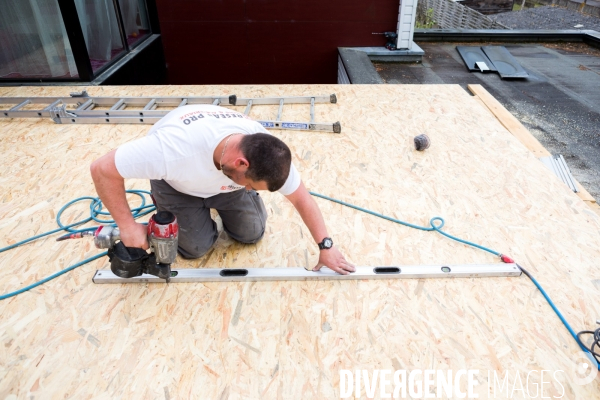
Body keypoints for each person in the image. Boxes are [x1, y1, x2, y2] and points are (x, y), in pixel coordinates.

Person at [90, 104, 355, 275]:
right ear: (241, 163)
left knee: (252, 233)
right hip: (179, 185)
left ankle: (214, 210)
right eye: (252, 186)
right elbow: (102, 169)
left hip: (227, 185)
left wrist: (326, 246)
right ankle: (190, 211)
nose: (252, 189)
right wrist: (126, 227)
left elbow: (302, 199)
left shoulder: (266, 153)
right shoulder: (172, 150)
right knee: (194, 248)